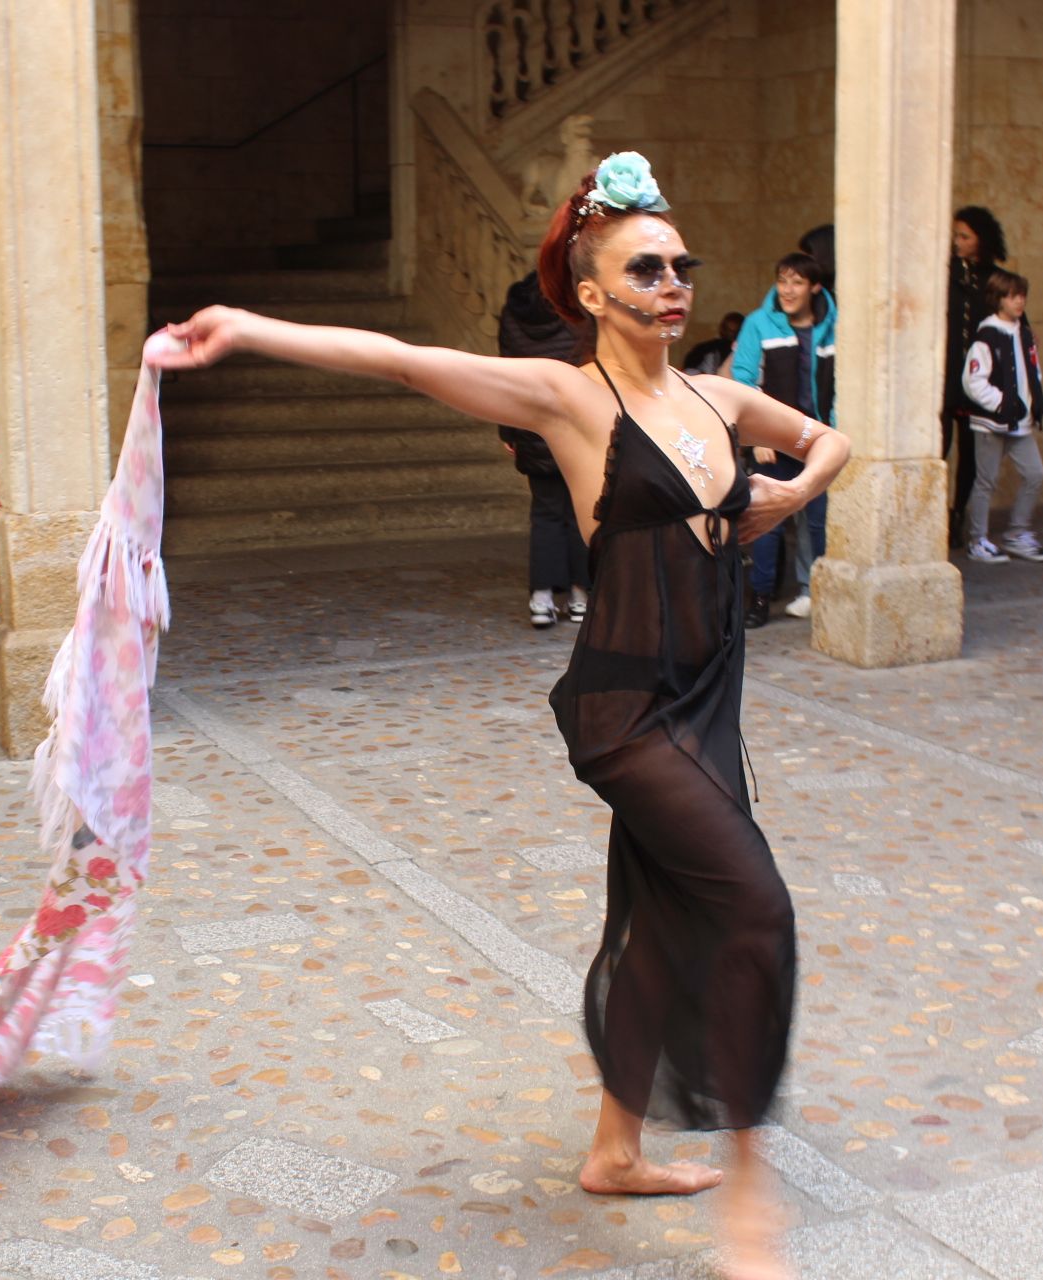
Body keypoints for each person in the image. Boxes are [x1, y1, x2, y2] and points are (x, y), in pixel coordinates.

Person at [158, 151, 849, 1279]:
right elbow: (404, 360)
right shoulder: (568, 397)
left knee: (657, 917)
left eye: (682, 264)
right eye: (647, 267)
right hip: (629, 709)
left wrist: (791, 491)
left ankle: (616, 1149)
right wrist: (246, 324)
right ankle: (751, 1202)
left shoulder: (718, 397)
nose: (674, 283)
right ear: (591, 293)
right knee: (752, 906)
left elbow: (830, 436)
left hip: (711, 694)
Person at [731, 252, 836, 625]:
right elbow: (743, 380)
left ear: (815, 287)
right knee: (767, 520)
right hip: (774, 441)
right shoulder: (759, 324)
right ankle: (759, 597)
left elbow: (839, 386)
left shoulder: (833, 326)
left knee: (816, 520)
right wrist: (757, 435)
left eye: (797, 282)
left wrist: (832, 434)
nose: (788, 290)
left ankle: (814, 591)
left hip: (816, 439)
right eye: (782, 280)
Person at [498, 271, 591, 627]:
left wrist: (507, 428)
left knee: (545, 513)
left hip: (531, 424)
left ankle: (542, 599)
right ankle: (580, 596)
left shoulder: (514, 308)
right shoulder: (575, 308)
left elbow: (506, 374)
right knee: (579, 511)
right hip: (573, 423)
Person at [961, 269, 1043, 564]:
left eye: (1022, 295)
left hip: (1020, 423)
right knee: (985, 480)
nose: (1019, 301)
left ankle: (1017, 532)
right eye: (1013, 296)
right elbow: (973, 380)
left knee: (1035, 474)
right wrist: (1003, 403)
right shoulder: (986, 335)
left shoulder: (1024, 333)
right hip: (991, 423)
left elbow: (1032, 371)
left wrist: (1031, 402)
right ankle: (978, 540)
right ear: (998, 299)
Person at [944, 206, 1008, 546]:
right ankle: (933, 515)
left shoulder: (995, 280)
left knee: (971, 452)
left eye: (964, 237)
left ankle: (958, 515)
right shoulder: (946, 273)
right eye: (956, 235)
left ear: (980, 241)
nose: (957, 242)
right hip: (946, 377)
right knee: (938, 447)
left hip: (978, 379)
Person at [681, 311, 744, 376]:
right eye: (727, 330)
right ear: (721, 328)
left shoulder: (745, 353)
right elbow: (688, 372)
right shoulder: (704, 349)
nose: (730, 335)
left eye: (734, 331)